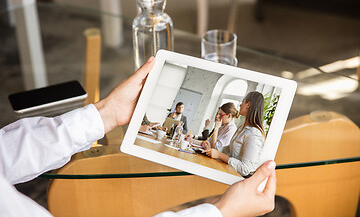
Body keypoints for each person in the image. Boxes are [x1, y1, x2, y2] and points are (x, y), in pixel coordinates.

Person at [0, 58, 276, 217]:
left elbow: (4, 153)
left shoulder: (246, 131)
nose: (238, 107)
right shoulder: (238, 128)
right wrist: (221, 211)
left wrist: (107, 113)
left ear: (248, 107)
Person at [203, 92, 266, 178]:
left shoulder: (254, 134)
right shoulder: (242, 128)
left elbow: (245, 169)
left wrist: (219, 155)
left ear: (248, 105)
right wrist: (212, 150)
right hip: (228, 172)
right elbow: (228, 150)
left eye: (243, 102)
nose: (240, 105)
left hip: (237, 179)